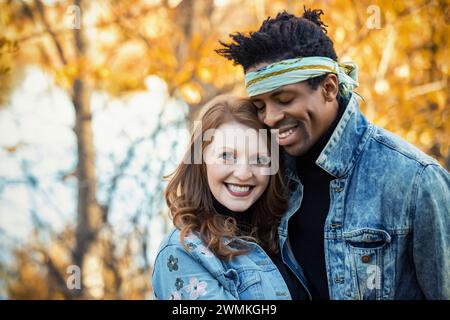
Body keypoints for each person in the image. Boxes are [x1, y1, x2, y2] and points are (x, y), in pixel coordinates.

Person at [216, 8, 450, 299]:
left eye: (284, 99)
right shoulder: (265, 175)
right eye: (260, 106)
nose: (270, 117)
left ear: (328, 87)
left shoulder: (415, 181)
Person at [152, 95, 305, 300]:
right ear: (201, 161)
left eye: (259, 159)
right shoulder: (183, 251)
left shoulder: (284, 238)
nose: (243, 173)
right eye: (226, 156)